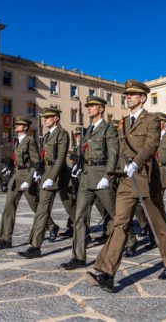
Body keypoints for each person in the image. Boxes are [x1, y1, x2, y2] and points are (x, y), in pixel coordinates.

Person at [87, 80, 166, 293]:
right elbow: (120, 150)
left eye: (132, 94)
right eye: (126, 94)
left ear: (143, 98)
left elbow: (151, 144)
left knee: (158, 223)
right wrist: (116, 172)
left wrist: (137, 163)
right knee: (120, 223)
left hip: (146, 178)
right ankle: (107, 273)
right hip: (127, 180)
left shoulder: (152, 119)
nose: (127, 97)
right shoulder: (122, 123)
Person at [61, 96, 119, 270]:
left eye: (92, 106)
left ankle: (129, 241)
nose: (89, 108)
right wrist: (78, 166)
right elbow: (83, 153)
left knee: (115, 215)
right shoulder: (86, 131)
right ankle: (78, 257)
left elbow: (113, 154)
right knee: (79, 217)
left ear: (101, 108)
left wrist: (107, 176)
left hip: (101, 175)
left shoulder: (108, 129)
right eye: (88, 106)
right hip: (86, 177)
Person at [0, 117, 58, 250]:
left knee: (35, 207)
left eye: (19, 125)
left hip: (26, 177)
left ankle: (52, 226)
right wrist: (9, 165)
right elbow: (17, 159)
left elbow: (35, 161)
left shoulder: (30, 140)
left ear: (25, 127)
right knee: (8, 207)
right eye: (16, 124)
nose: (16, 126)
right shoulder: (17, 141)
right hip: (16, 177)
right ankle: (5, 239)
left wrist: (29, 179)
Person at [19, 107, 74, 258]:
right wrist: (38, 172)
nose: (45, 120)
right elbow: (44, 157)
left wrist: (52, 177)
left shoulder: (62, 133)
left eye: (48, 118)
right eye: (44, 118)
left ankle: (83, 232)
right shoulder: (48, 135)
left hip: (60, 176)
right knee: (42, 210)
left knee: (72, 209)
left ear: (56, 118)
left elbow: (61, 157)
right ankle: (35, 246)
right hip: (47, 175)